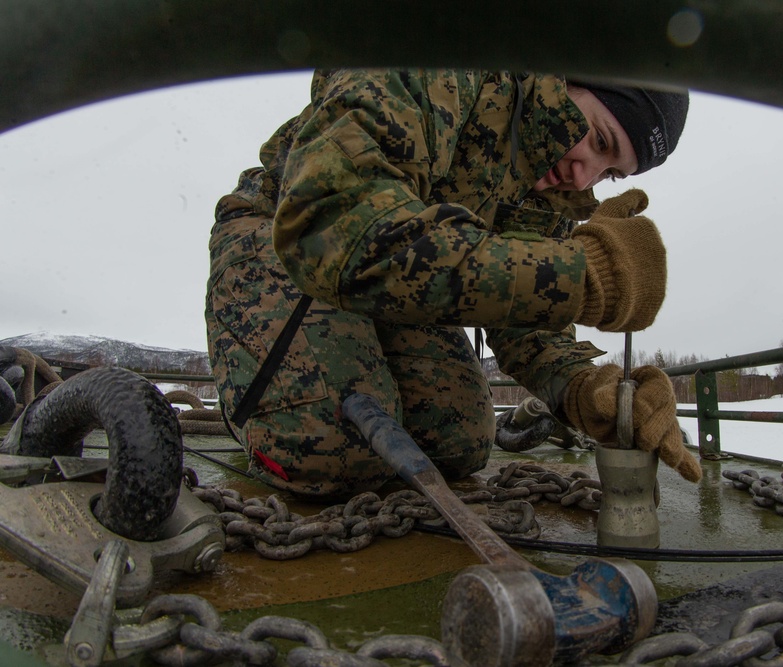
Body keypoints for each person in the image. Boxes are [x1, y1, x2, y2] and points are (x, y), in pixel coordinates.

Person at [205, 68, 702, 499]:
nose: (584, 176)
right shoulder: (447, 64)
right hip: (284, 236)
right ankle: (258, 408)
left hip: (389, 289)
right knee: (329, 450)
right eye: (597, 139)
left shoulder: (549, 189)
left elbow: (521, 317)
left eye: (610, 172)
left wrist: (586, 390)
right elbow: (335, 221)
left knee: (460, 439)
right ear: (562, 75)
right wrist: (574, 276)